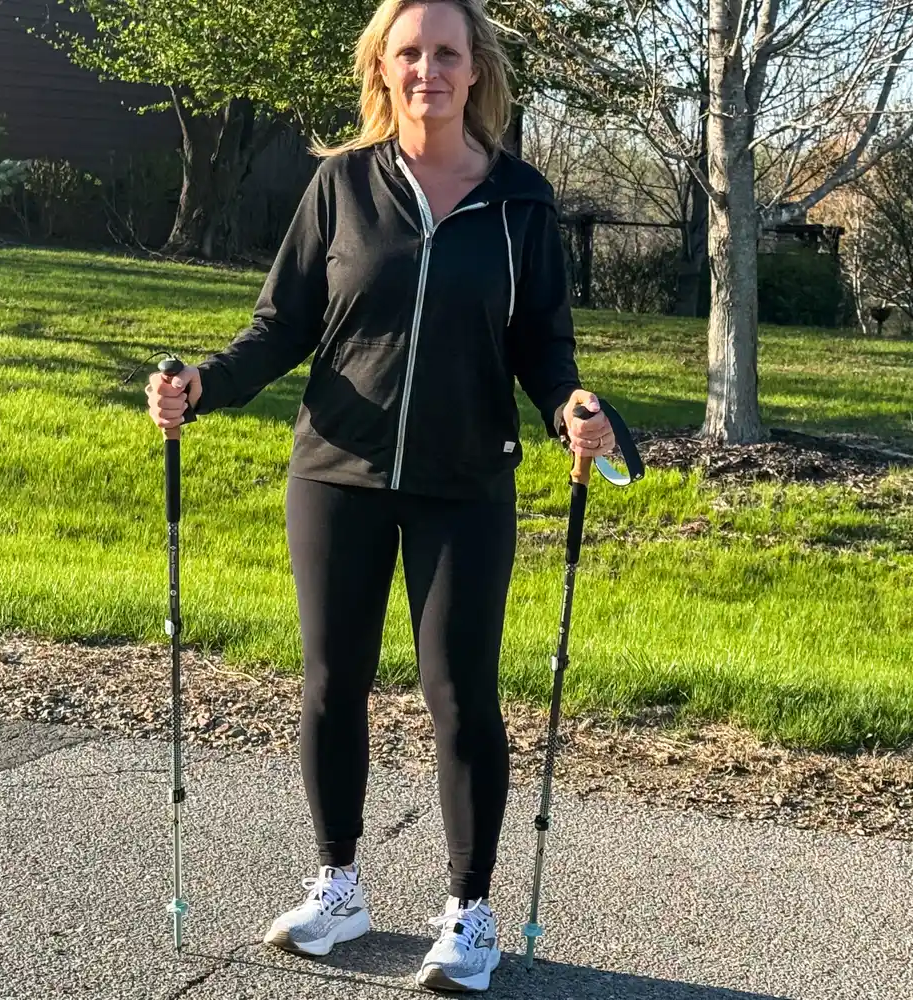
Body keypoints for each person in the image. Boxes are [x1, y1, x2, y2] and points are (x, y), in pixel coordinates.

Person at [144, 0, 615, 991]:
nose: (429, 69)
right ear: (383, 68)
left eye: (447, 52)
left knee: (458, 695)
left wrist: (571, 405)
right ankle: (339, 885)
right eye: (411, 52)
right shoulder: (340, 186)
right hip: (336, 473)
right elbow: (281, 327)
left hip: (464, 481)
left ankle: (469, 911)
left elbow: (544, 346)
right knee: (330, 683)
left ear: (476, 69)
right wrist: (204, 387)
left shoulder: (521, 202)